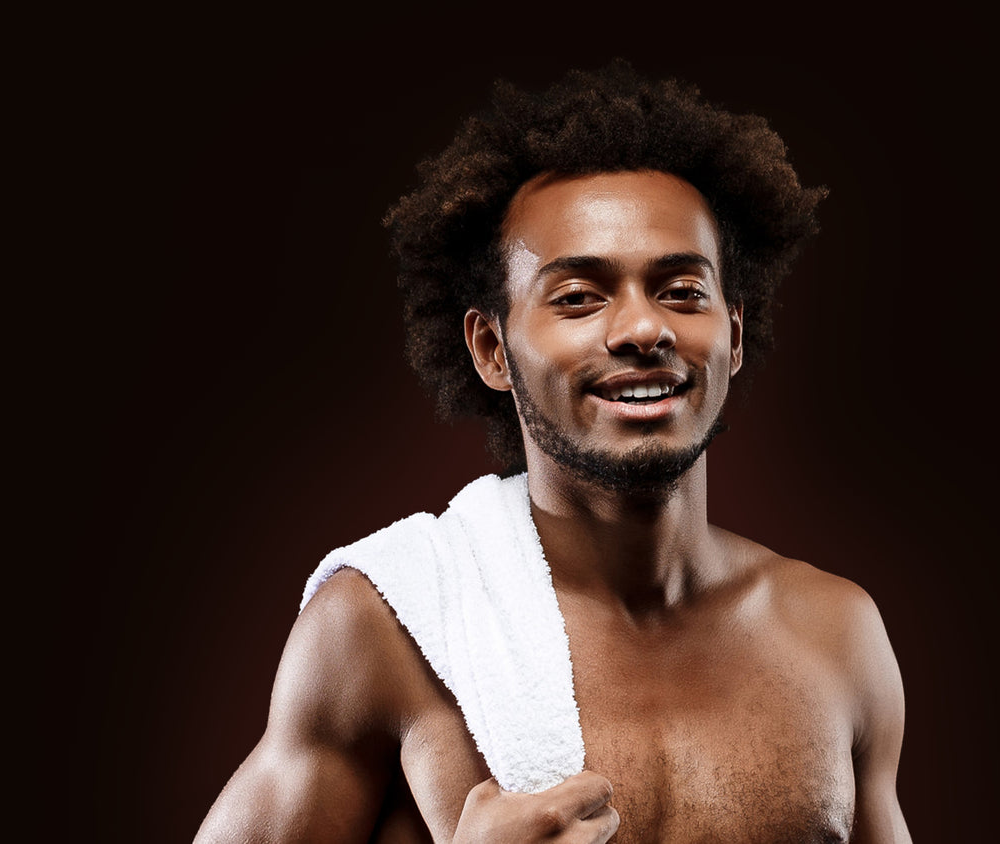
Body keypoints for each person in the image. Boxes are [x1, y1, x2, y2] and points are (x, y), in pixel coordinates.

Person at [195, 60, 911, 843]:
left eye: (681, 290)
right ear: (492, 348)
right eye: (578, 297)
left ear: (732, 336)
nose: (643, 329)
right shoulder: (384, 632)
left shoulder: (837, 635)